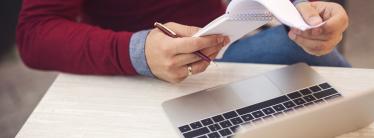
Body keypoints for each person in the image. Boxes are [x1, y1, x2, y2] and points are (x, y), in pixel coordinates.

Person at [16, 0, 350, 83]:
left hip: (220, 50)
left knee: (305, 58)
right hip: (127, 70)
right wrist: (139, 52)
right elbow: (34, 36)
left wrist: (305, 16)